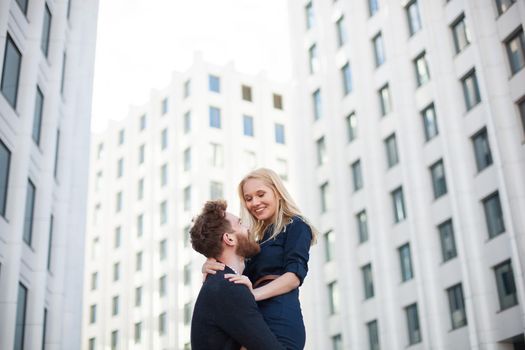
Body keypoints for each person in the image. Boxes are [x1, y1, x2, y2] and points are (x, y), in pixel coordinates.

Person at [204, 168, 318, 350]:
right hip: (253, 316)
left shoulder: (296, 226)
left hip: (278, 315)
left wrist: (253, 295)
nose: (254, 203)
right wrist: (211, 264)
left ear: (277, 192)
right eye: (248, 199)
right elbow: (234, 267)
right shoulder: (257, 240)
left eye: (261, 194)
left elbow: (294, 277)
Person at [189, 199, 285, 350]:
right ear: (229, 238)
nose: (247, 227)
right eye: (240, 223)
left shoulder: (219, 283)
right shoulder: (228, 286)